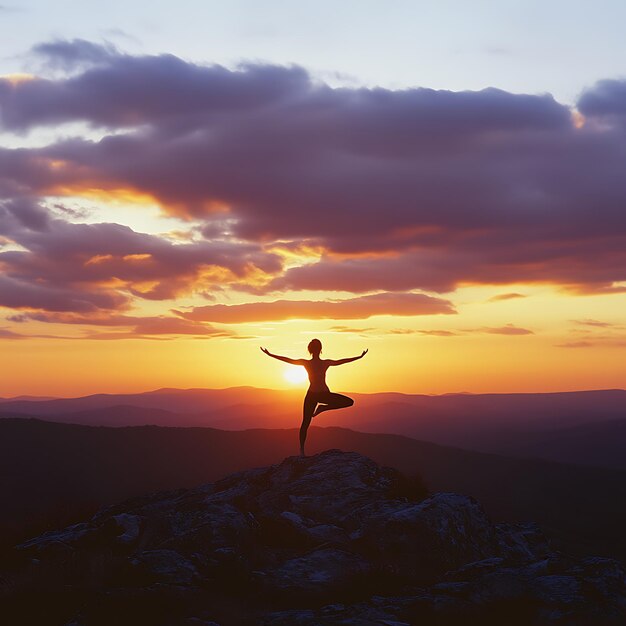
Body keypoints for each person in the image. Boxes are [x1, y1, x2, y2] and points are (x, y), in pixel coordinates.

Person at [260, 339, 368, 456]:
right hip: (321, 394)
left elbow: (288, 360)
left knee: (305, 423)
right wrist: (359, 357)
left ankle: (303, 449)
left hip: (313, 395)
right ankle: (303, 447)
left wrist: (270, 355)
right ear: (320, 350)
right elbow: (341, 361)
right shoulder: (324, 363)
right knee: (348, 402)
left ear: (309, 350)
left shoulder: (308, 363)